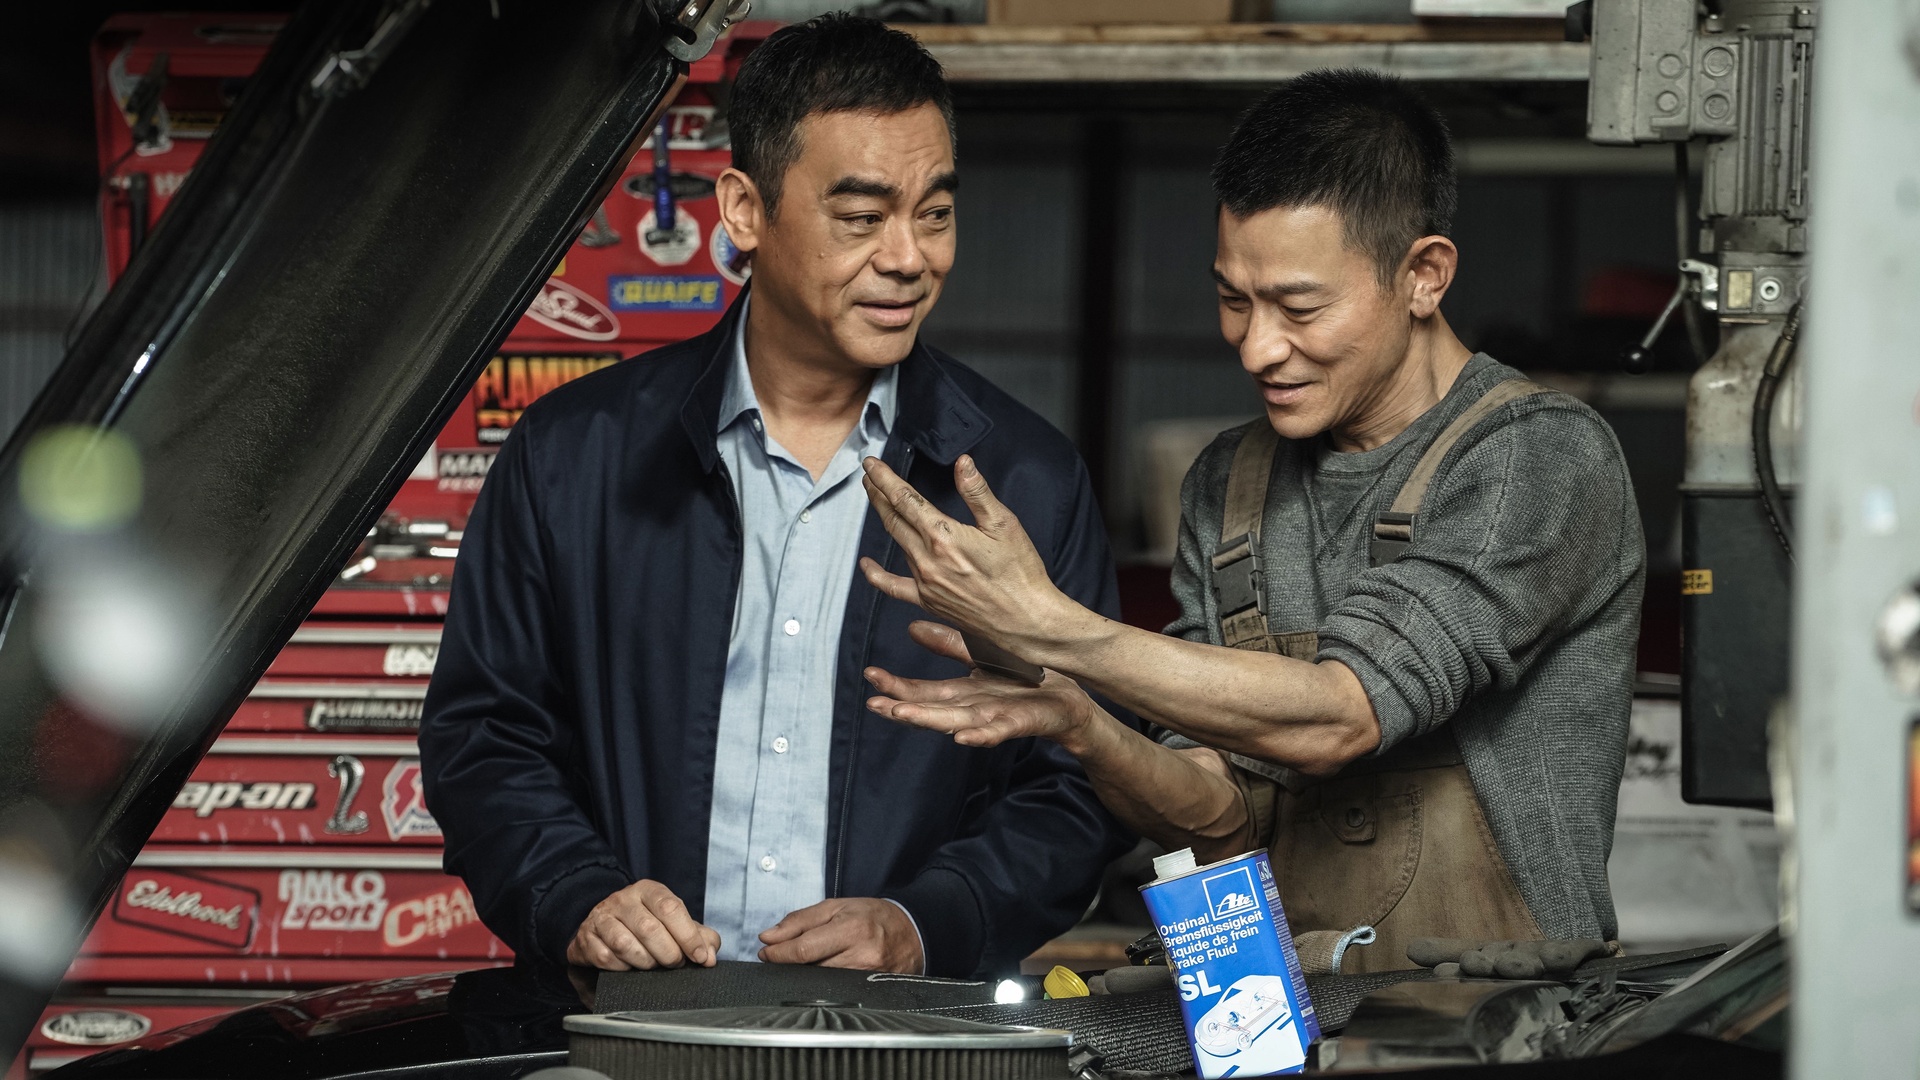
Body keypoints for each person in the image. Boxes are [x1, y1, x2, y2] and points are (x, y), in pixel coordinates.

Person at [856, 69, 1645, 974]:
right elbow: (1216, 819)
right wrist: (1084, 726)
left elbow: (1342, 716)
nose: (1258, 347)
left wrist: (1052, 627)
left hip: (1488, 1021)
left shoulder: (1533, 457)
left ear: (1423, 276)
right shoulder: (1230, 483)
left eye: (1300, 307)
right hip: (1273, 1014)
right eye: (1235, 300)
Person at [419, 14, 1132, 982]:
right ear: (746, 210)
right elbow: (485, 735)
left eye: (934, 213)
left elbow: (1076, 782)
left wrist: (926, 922)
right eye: (861, 217)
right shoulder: (574, 454)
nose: (910, 257)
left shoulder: (1023, 482)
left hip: (897, 1034)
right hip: (627, 1019)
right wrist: (575, 891)